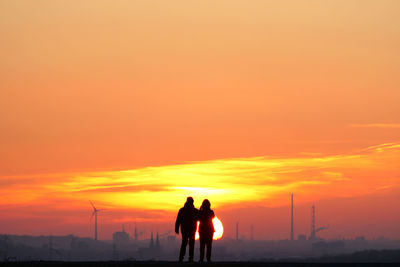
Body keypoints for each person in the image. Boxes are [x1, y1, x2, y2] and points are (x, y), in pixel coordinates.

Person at [175, 197, 199, 262]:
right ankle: (190, 258)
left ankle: (181, 258)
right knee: (191, 244)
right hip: (191, 229)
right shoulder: (195, 211)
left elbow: (178, 220)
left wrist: (176, 228)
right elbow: (199, 218)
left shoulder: (182, 210)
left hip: (185, 229)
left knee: (184, 243)